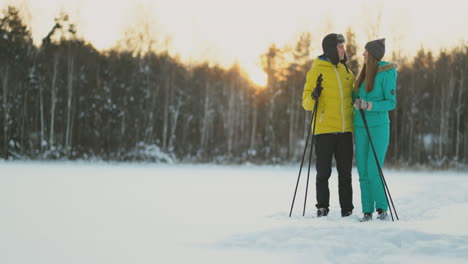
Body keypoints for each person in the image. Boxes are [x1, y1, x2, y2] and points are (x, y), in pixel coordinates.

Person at [302, 33, 355, 217]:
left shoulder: (347, 72)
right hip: (324, 130)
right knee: (323, 173)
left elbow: (354, 97)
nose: (343, 50)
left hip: (345, 130)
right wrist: (314, 95)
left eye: (343, 47)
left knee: (345, 174)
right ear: (331, 49)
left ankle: (347, 210)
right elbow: (306, 104)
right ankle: (322, 208)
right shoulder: (316, 71)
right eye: (340, 47)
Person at [352, 38, 398, 222]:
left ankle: (382, 209)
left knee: (373, 169)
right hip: (360, 126)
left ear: (373, 55)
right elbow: (354, 97)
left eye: (366, 51)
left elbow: (391, 102)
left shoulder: (387, 73)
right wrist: (355, 102)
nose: (363, 54)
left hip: (378, 128)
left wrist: (369, 105)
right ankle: (367, 211)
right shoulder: (362, 74)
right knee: (363, 170)